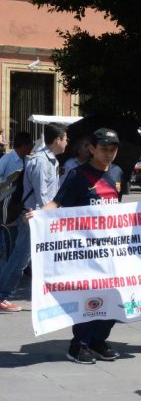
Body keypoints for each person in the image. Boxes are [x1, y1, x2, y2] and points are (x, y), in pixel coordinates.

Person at [37, 128, 121, 362]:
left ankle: (98, 340)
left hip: (113, 250)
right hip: (85, 251)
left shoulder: (116, 173)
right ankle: (79, 344)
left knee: (114, 296)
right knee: (89, 298)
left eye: (113, 149)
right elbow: (56, 203)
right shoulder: (77, 175)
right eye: (104, 149)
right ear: (91, 149)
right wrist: (37, 216)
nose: (109, 154)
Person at [0, 124, 68, 313]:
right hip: (34, 216)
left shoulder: (52, 161)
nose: (67, 143)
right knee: (19, 259)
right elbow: (42, 195)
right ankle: (2, 295)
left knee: (47, 258)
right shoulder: (40, 161)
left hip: (43, 215)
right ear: (57, 140)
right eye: (65, 139)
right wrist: (50, 215)